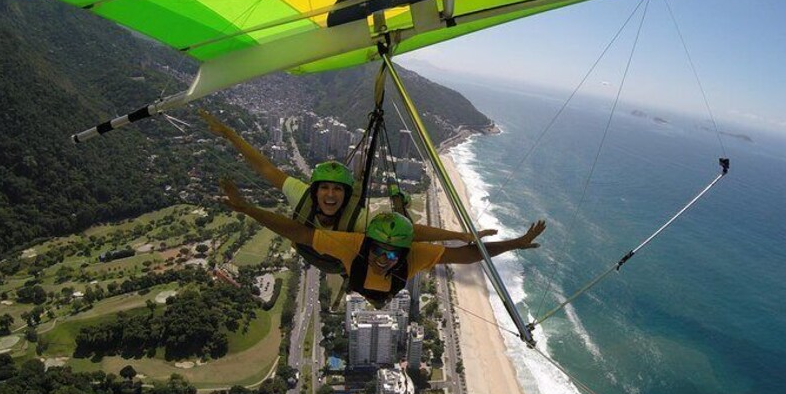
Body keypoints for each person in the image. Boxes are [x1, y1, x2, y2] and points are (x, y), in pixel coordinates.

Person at [200, 110, 497, 271]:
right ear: (315, 191)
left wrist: (462, 237)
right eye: (324, 189)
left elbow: (411, 231)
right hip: (308, 249)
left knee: (392, 247)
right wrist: (229, 134)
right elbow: (265, 168)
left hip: (335, 261)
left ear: (345, 194)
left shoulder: (359, 220)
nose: (330, 195)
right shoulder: (301, 194)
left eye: (337, 190)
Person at [221, 179, 545, 307]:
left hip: (383, 279)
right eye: (378, 249)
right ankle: (398, 207)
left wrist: (516, 243)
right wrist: (246, 208)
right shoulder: (355, 245)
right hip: (354, 273)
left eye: (391, 253)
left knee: (405, 229)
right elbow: (299, 233)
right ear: (367, 244)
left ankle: (398, 207)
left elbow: (470, 255)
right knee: (384, 241)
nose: (383, 257)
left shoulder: (412, 255)